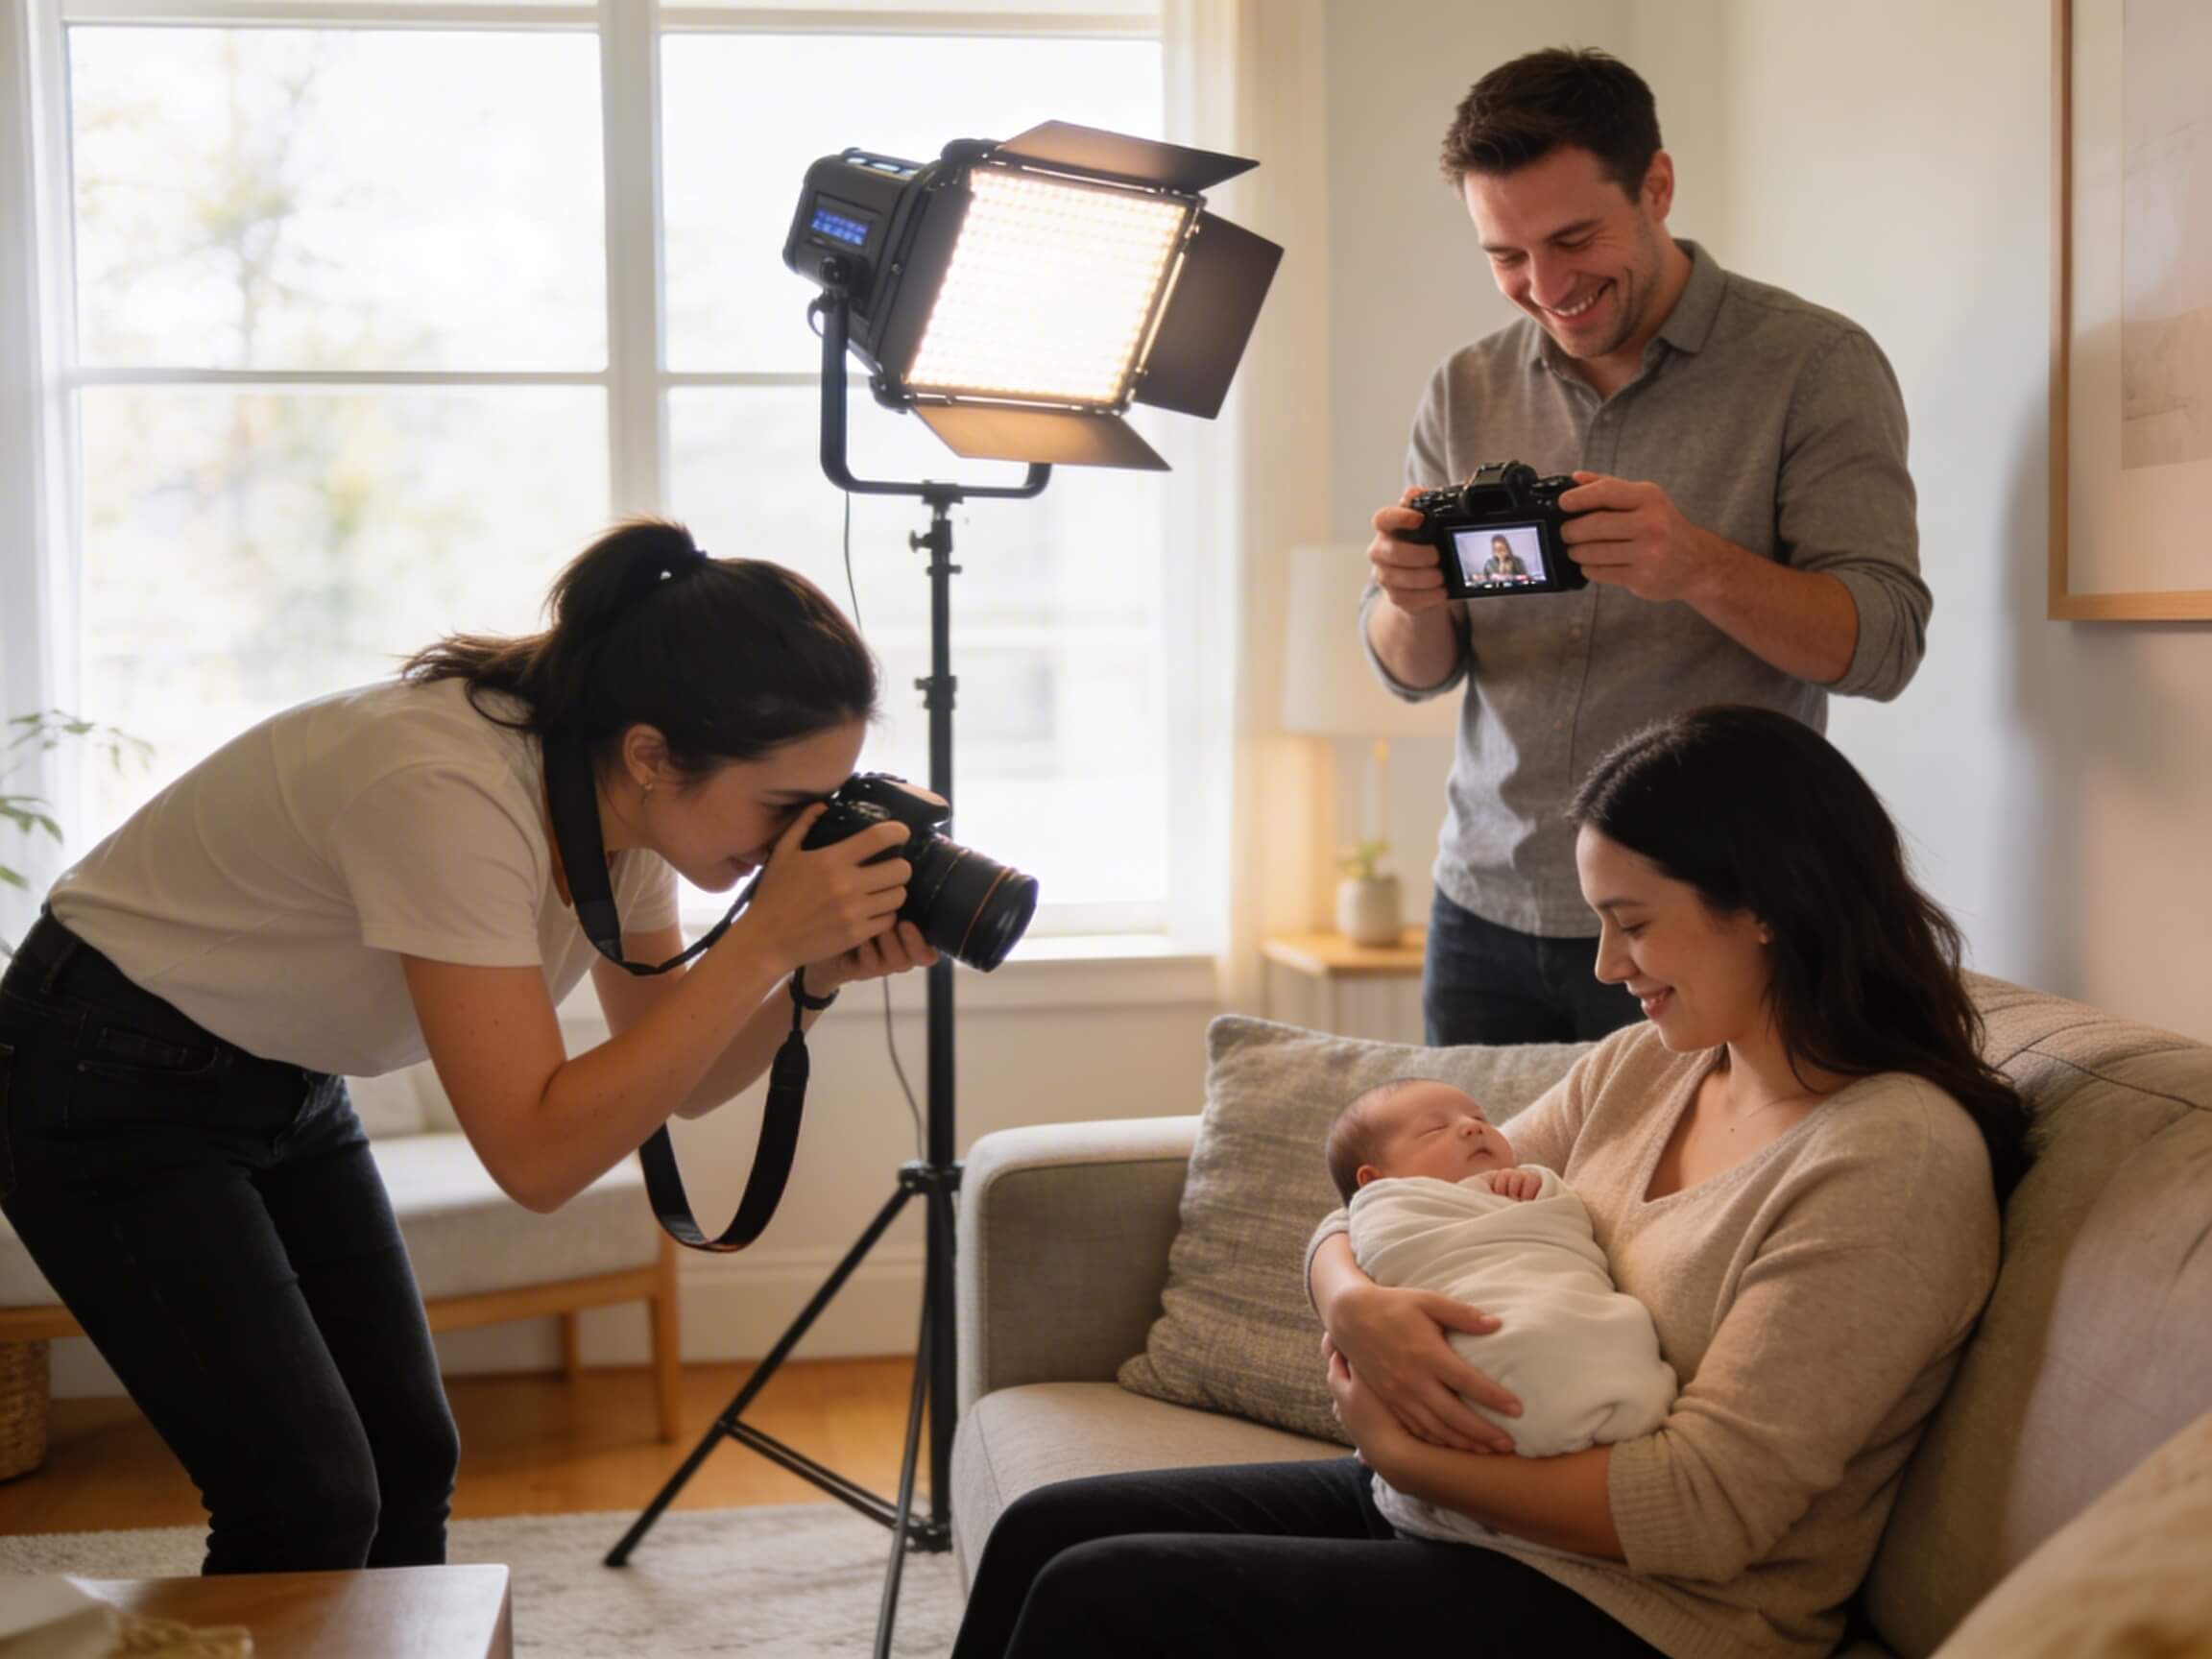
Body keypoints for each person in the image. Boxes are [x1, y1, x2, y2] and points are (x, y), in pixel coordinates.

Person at [948, 706, 2029, 1659]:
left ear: (1769, 905)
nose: (1607, 968)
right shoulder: (1653, 1066)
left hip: (1647, 1615)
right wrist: (1354, 1302)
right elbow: (1384, 1208)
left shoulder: (1889, 1162)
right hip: (1468, 1525)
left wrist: (1392, 1447)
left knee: (1106, 1599)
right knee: (1050, 1528)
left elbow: (1705, 1513)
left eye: (1635, 923)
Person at [0, 518, 935, 1575]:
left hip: (283, 1077)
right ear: (651, 754)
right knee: (304, 1500)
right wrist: (767, 938)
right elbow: (535, 1158)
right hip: (102, 1075)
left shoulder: (630, 812)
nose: (795, 840)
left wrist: (809, 979)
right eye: (785, 807)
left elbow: (694, 1075)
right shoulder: (447, 787)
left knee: (408, 1460)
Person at [1362, 48, 1930, 1046]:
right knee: (1481, 1208)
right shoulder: (1465, 387)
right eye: (1505, 256)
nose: (1545, 285)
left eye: (1573, 237)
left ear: (1657, 187)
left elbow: (1883, 647)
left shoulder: (1816, 367)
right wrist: (1409, 602)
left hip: (1706, 928)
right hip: (1485, 913)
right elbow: (1415, 676)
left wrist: (1698, 567)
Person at [1327, 1078, 1676, 1551]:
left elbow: (1559, 1213)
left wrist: (1539, 1187)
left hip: (1467, 1465)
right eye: (1434, 1131)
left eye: (1480, 1118)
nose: (1472, 1128)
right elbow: (1351, 1224)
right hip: (1449, 1399)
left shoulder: (1513, 1184)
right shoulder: (1391, 1206)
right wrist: (1346, 1299)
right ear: (1374, 1181)